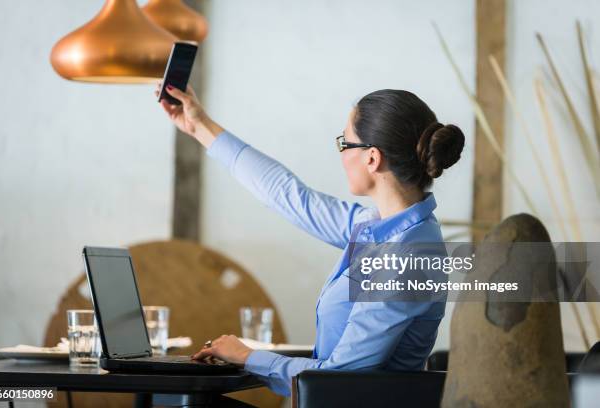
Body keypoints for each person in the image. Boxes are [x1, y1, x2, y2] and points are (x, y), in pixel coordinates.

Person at [156, 84, 465, 396]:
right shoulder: (378, 227)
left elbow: (340, 378)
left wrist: (248, 357)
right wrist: (199, 126)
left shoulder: (406, 256)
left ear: (372, 158)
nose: (341, 153)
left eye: (345, 142)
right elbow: (289, 195)